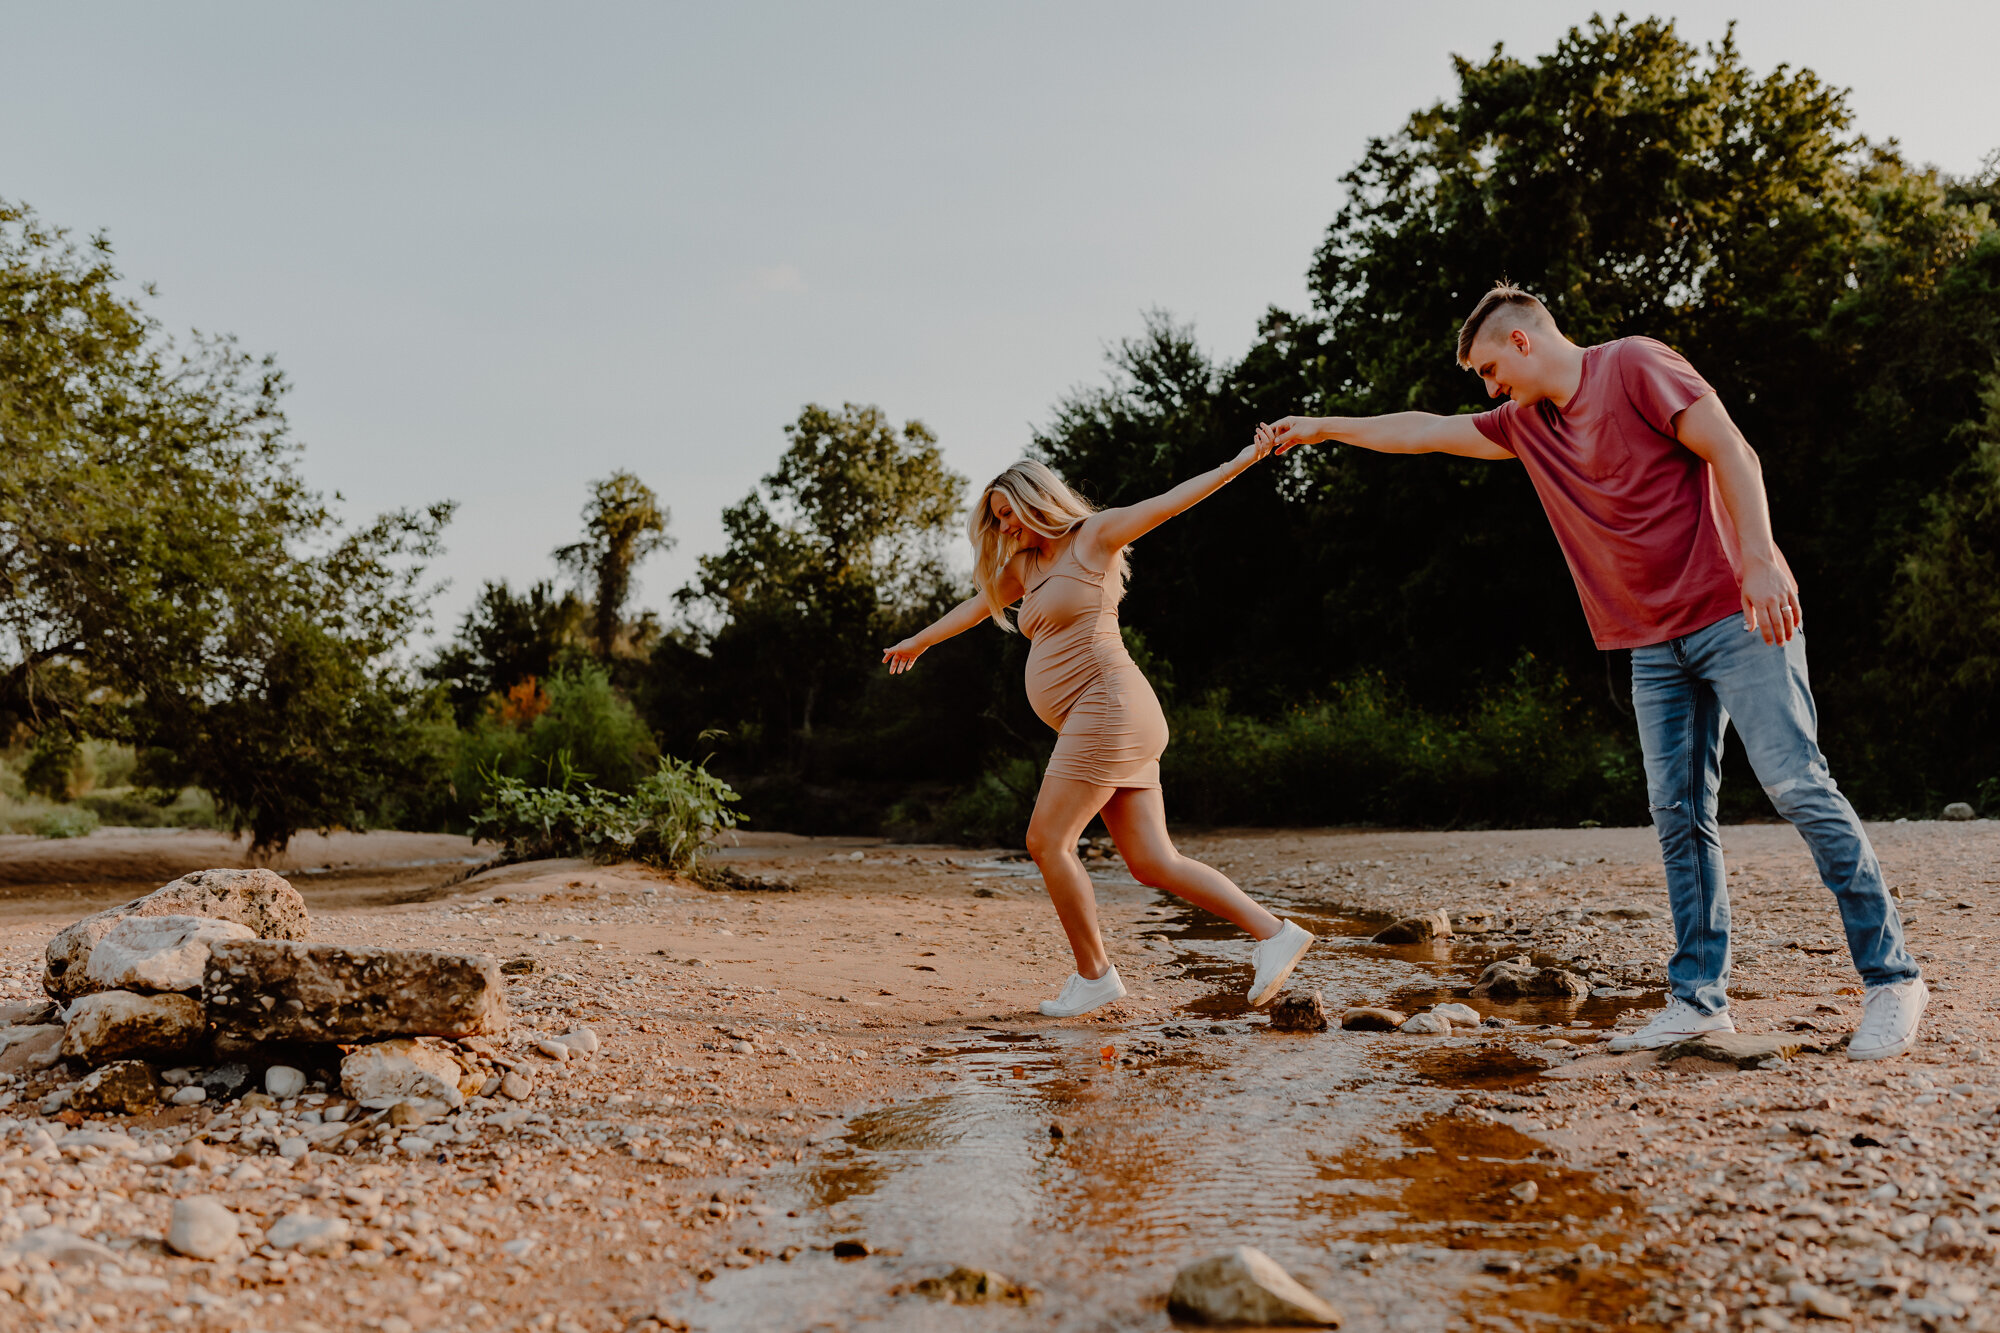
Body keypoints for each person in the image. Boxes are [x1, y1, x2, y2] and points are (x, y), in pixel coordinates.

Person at [1256, 283, 1925, 1060]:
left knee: (1796, 784)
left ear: (1521, 343)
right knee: (1679, 816)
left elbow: (1733, 450)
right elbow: (1427, 432)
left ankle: (1893, 979)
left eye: (1487, 369)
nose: (1487, 388)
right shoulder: (1524, 425)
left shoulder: (1635, 365)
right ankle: (1700, 1000)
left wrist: (1759, 560)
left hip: (1734, 614)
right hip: (1652, 645)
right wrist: (1323, 428)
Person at [883, 453, 1315, 1017]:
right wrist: (919, 641)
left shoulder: (1095, 536)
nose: (1006, 526)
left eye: (1009, 511)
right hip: (1104, 717)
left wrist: (1240, 460)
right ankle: (1275, 934)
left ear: (1037, 496)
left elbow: (1176, 499)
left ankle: (1094, 976)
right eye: (997, 518)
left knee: (1047, 841)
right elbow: (976, 606)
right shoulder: (1025, 566)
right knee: (1152, 860)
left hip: (1109, 706)